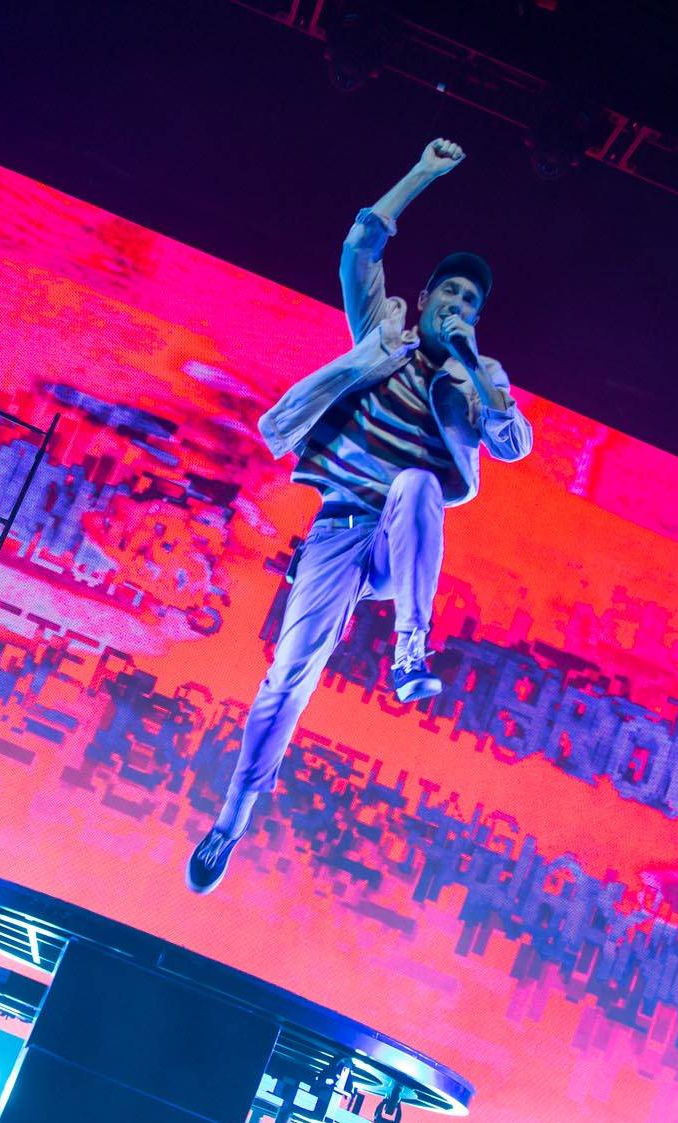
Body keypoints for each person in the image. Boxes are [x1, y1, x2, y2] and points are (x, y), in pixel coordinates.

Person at [186, 138, 535, 895]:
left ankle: (411, 652)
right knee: (286, 681)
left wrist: (482, 374)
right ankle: (231, 818)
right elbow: (359, 250)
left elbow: (513, 444)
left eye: (473, 304)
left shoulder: (473, 383)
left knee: (416, 484)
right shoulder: (384, 337)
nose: (460, 309)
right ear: (431, 294)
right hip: (340, 535)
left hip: (397, 543)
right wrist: (420, 175)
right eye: (453, 295)